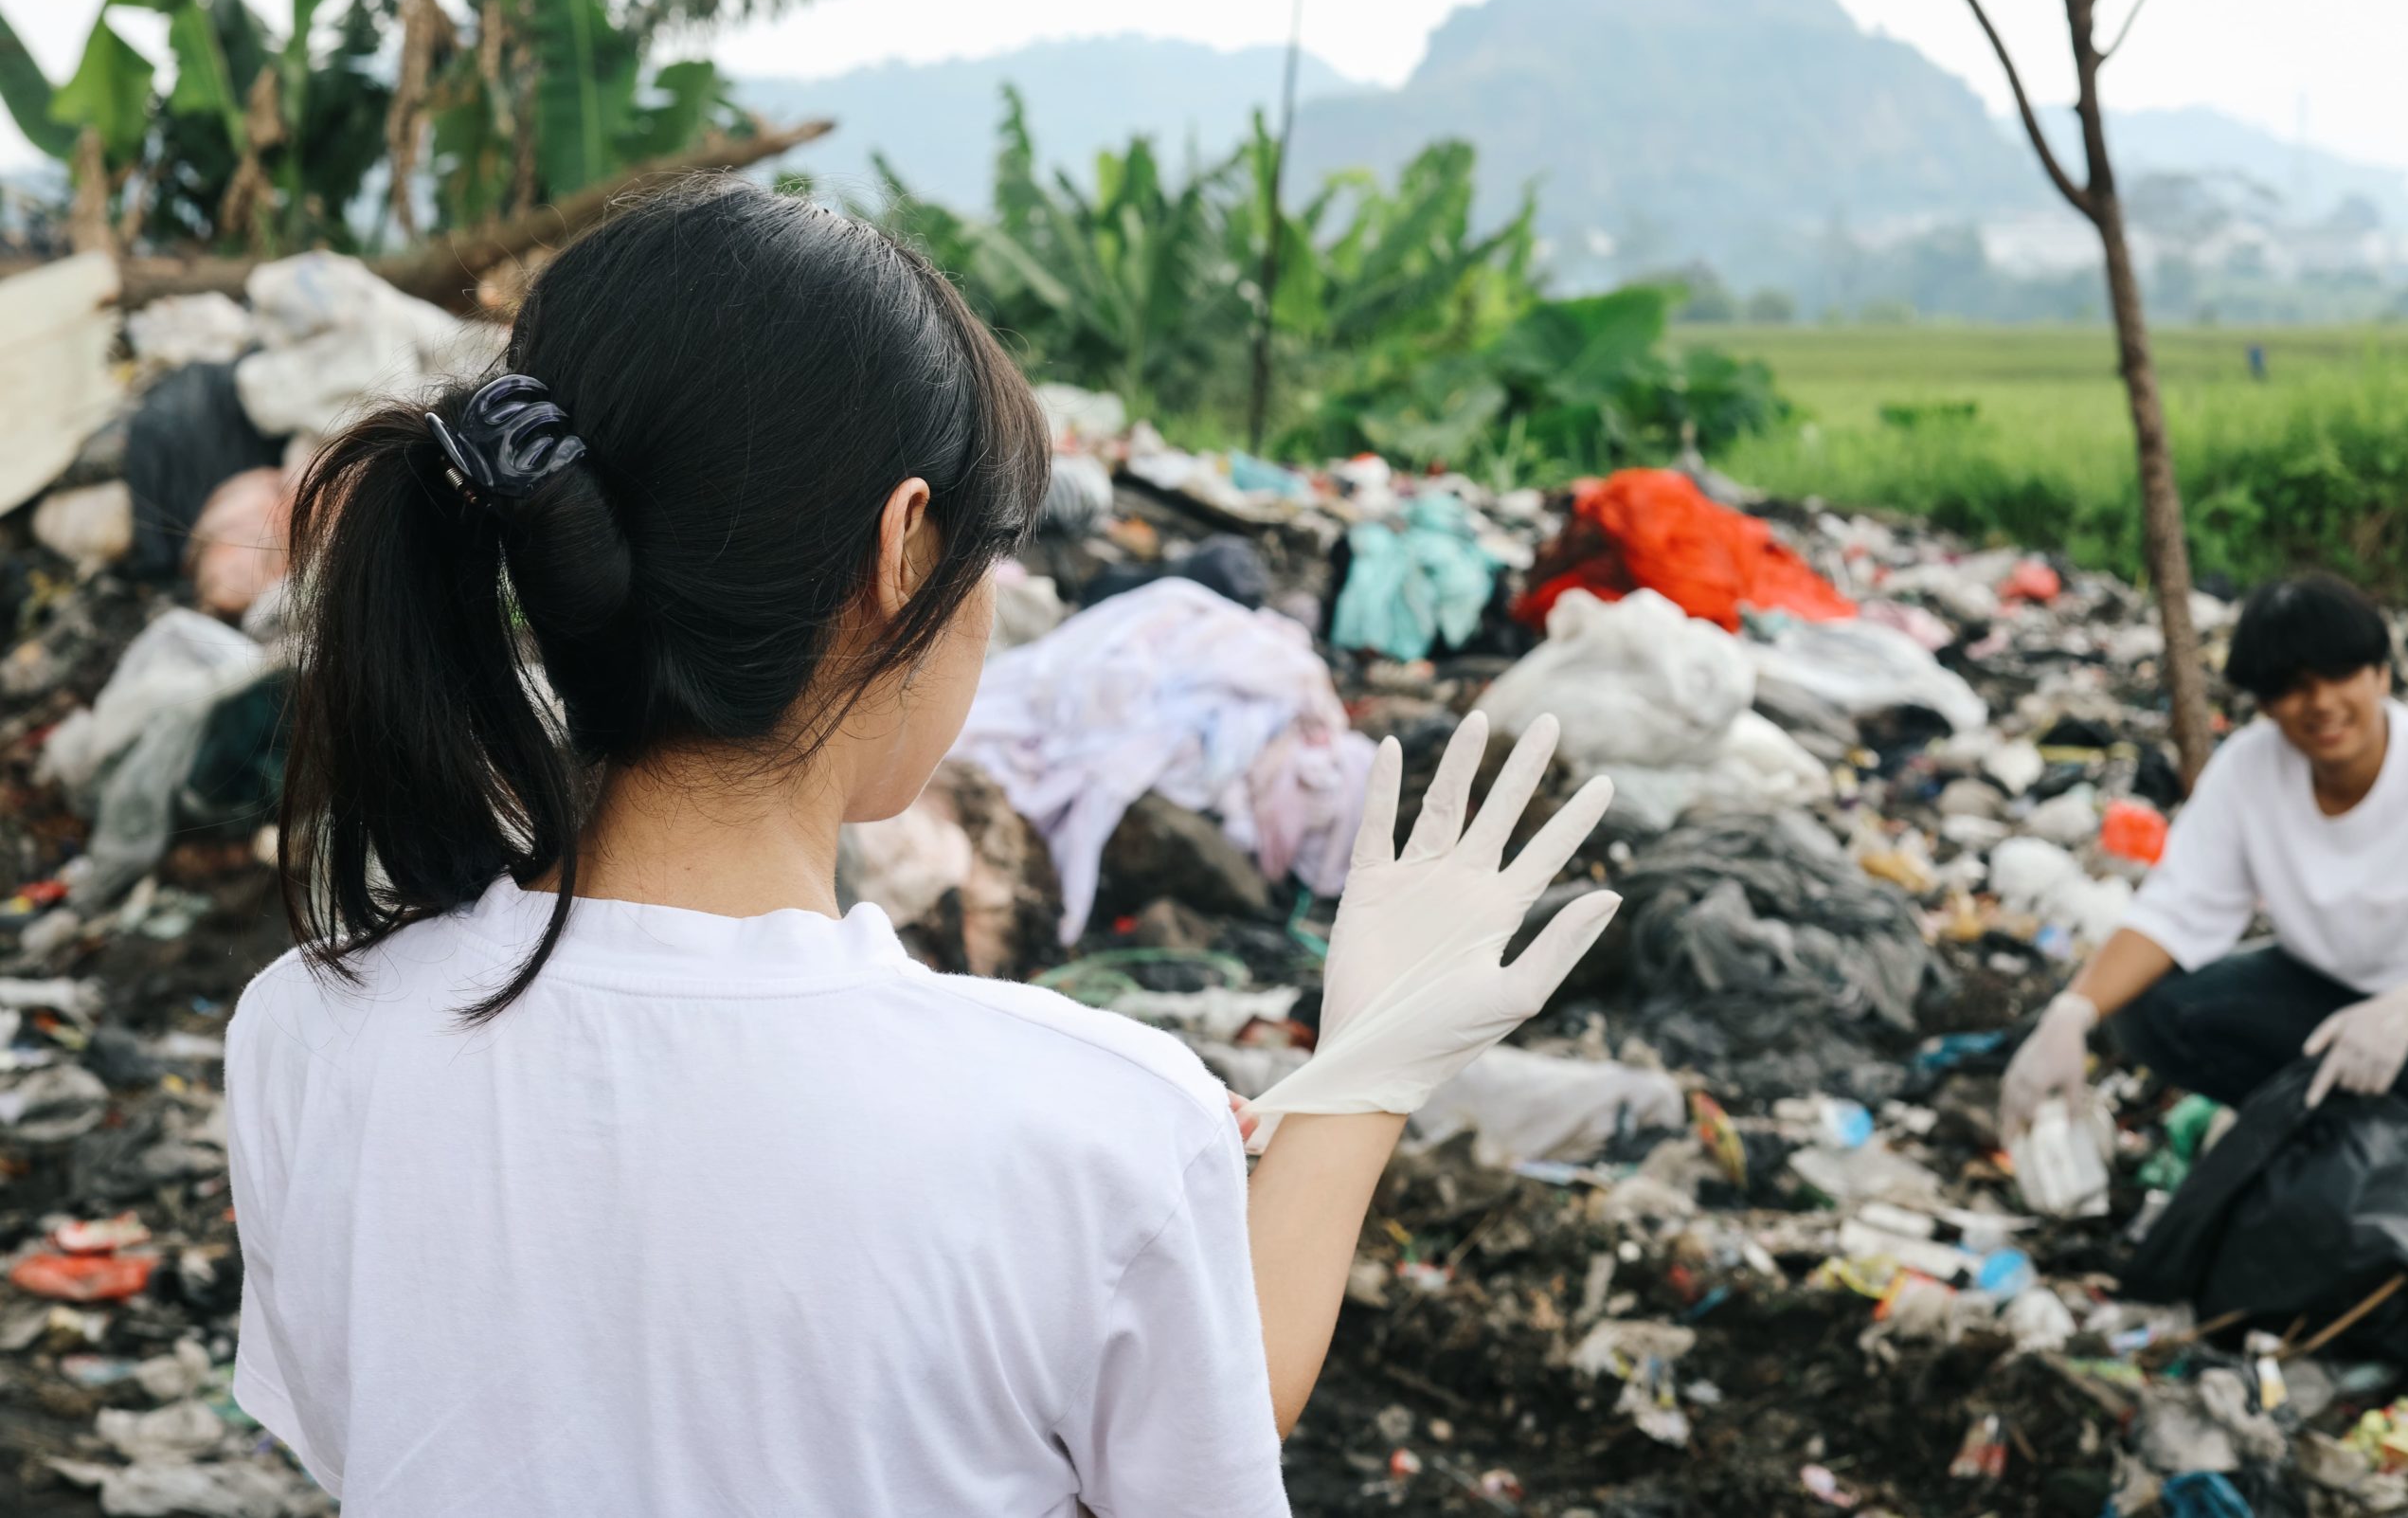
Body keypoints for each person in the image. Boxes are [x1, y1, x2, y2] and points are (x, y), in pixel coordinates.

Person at [225, 176, 1621, 1517]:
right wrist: (1361, 1069)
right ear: (904, 549)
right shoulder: (1085, 1122)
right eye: (988, 563)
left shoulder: (305, 1031)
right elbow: (1194, 1432)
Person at [2002, 573, 2408, 1139]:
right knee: (2153, 1009)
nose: (2321, 703)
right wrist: (2071, 1012)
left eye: (2340, 675)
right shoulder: (2250, 770)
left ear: (2380, 674)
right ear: (2267, 704)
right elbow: (2178, 907)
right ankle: (2323, 1139)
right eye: (2293, 686)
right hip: (2320, 994)